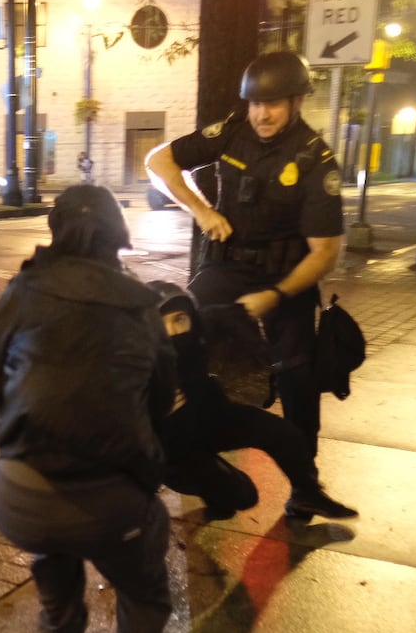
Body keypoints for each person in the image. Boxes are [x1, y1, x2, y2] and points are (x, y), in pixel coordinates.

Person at [0, 185, 179, 633]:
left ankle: (60, 628)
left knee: (46, 521)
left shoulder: (22, 291)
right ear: (118, 241)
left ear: (56, 233)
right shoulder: (144, 308)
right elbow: (159, 411)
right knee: (144, 599)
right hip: (112, 509)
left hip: (16, 500)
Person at [144, 51, 356, 523]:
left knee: (300, 381)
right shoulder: (234, 129)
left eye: (274, 103)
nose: (263, 113)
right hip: (228, 267)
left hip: (288, 279)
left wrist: (276, 297)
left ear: (297, 101)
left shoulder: (316, 160)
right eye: (256, 102)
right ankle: (177, 455)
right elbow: (159, 161)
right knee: (178, 344)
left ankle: (305, 487)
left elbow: (325, 253)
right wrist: (201, 210)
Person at [150, 281, 355, 521]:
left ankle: (307, 494)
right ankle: (216, 492)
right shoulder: (132, 359)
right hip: (176, 447)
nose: (173, 331)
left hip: (211, 415)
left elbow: (238, 313)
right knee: (243, 496)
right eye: (160, 323)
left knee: (283, 434)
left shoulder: (202, 325)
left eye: (180, 319)